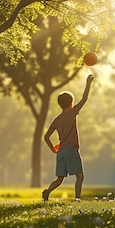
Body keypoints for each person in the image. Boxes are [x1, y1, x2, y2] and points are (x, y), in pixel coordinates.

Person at [42, 74, 94, 202]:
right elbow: (84, 99)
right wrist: (88, 83)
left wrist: (53, 149)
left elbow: (46, 137)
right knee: (80, 176)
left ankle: (47, 192)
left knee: (59, 179)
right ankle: (77, 199)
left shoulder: (57, 120)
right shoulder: (72, 113)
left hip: (61, 153)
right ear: (71, 103)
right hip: (71, 150)